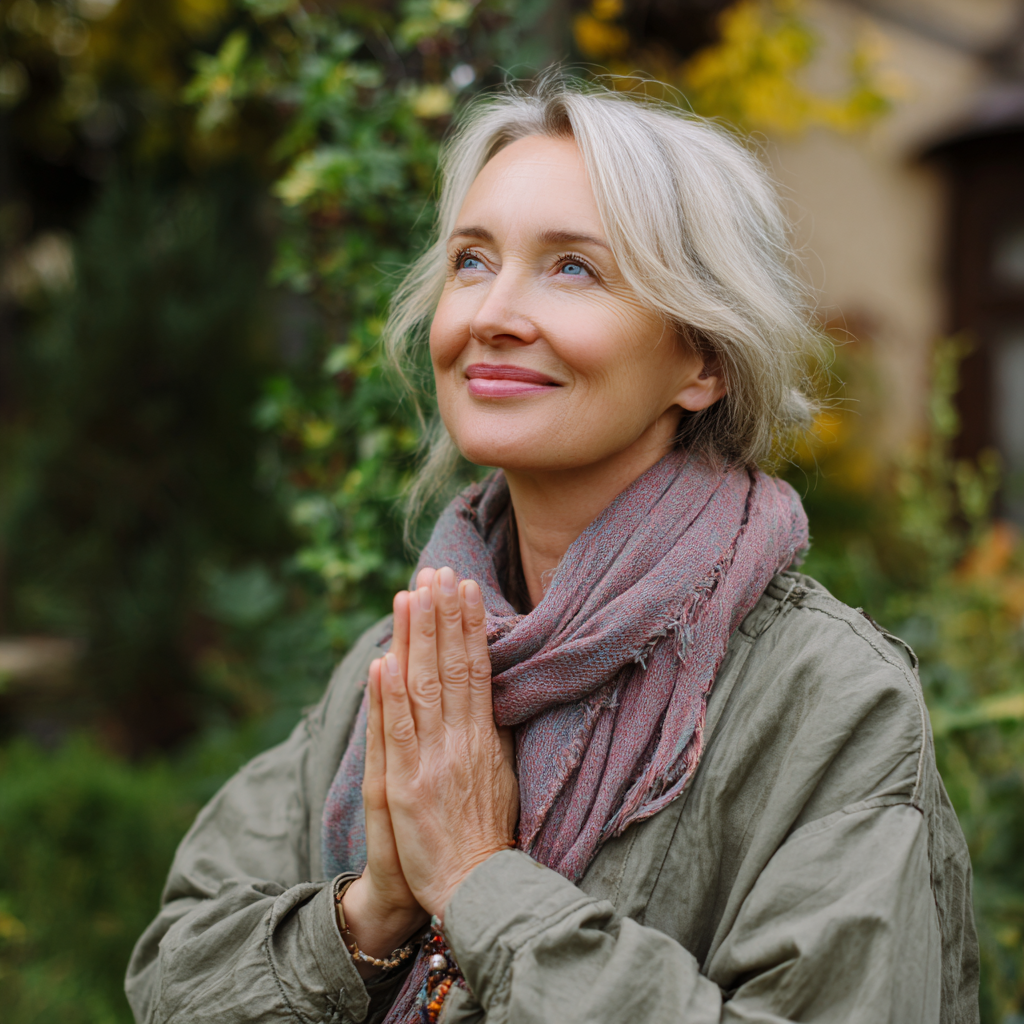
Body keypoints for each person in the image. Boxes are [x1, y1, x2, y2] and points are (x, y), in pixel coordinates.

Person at [126, 78, 979, 1024]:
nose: (494, 312)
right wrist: (373, 910)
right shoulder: (406, 666)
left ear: (703, 360)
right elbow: (175, 978)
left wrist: (478, 881)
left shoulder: (826, 701)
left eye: (573, 267)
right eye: (472, 261)